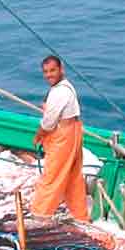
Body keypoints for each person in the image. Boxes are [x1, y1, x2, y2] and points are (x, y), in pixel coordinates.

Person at [31, 56, 88, 221]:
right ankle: (81, 217)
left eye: (52, 70)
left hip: (64, 135)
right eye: (46, 72)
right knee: (72, 176)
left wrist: (38, 136)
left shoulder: (59, 92)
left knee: (52, 177)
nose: (49, 75)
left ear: (61, 69)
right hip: (74, 131)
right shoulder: (66, 86)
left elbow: (48, 123)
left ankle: (39, 216)